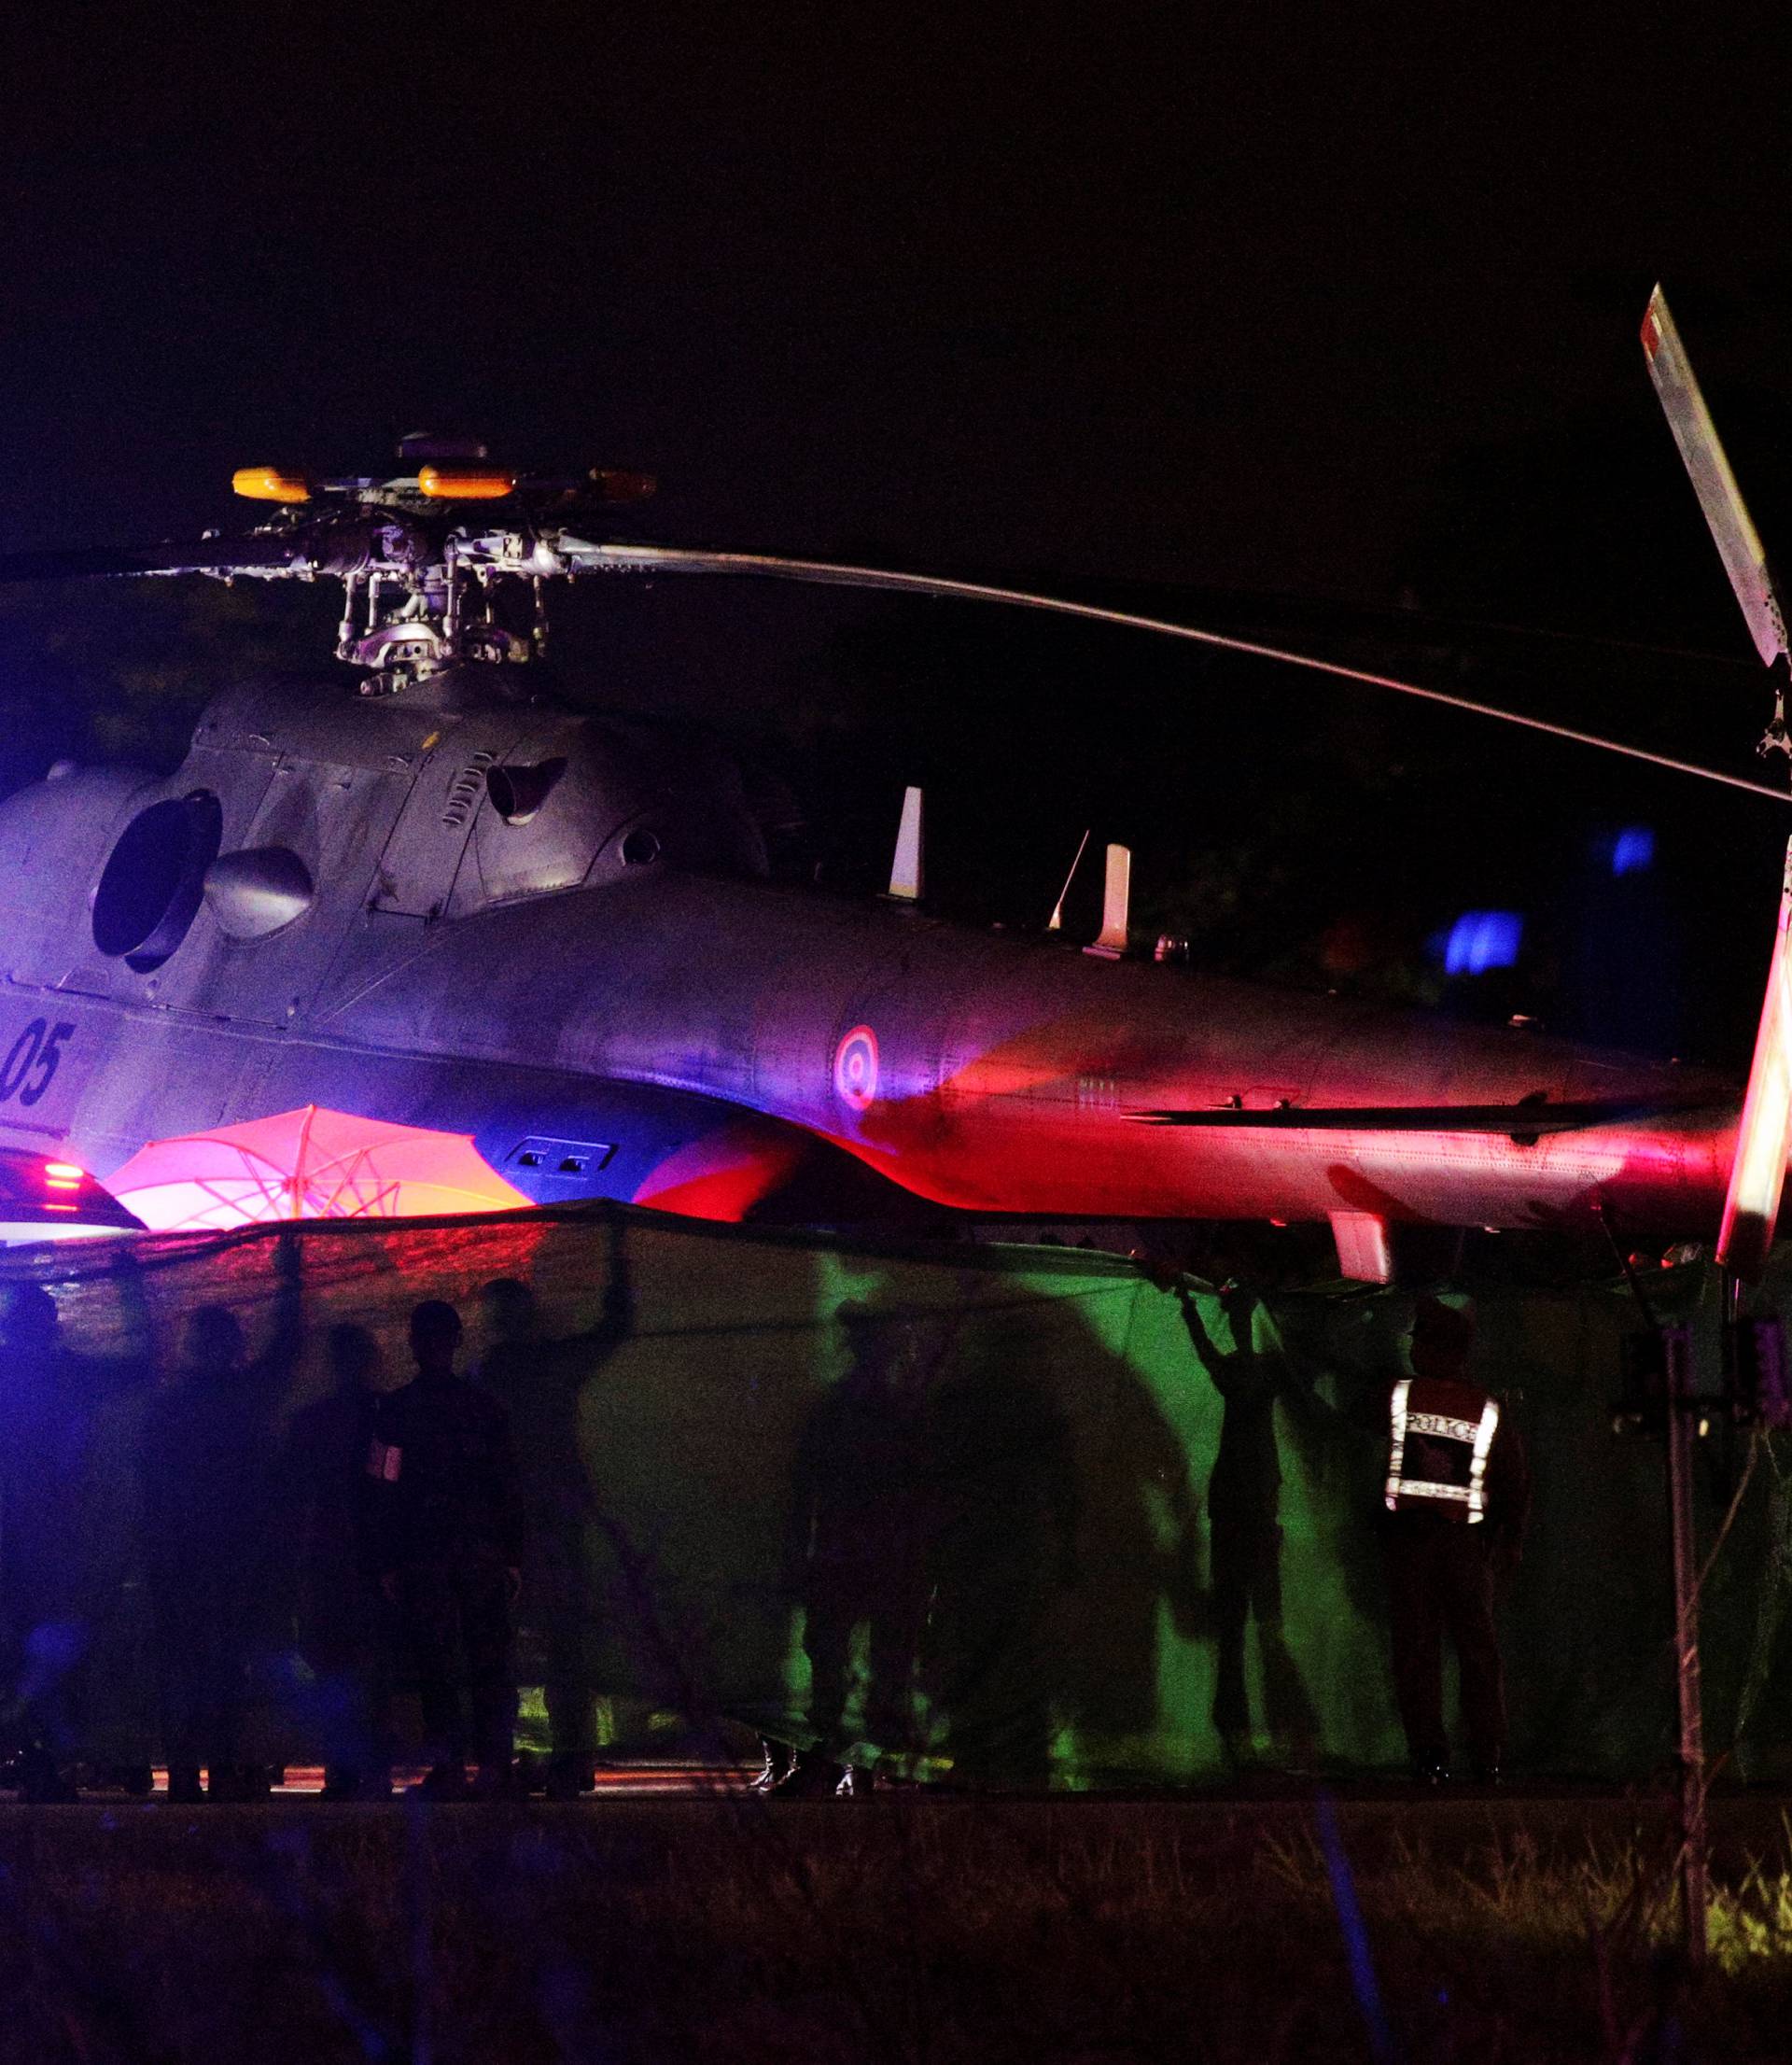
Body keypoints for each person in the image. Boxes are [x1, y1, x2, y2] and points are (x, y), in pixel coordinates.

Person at [476, 1231, 633, 1800]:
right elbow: (614, 1331)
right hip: (541, 1518)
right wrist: (619, 1251)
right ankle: (560, 1757)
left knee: (516, 1641)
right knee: (553, 1641)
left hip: (514, 1523)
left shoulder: (491, 1374)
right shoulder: (531, 1367)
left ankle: (529, 1756)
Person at [364, 1299, 525, 1799]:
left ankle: (450, 1766)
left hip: (424, 1550)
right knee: (487, 1660)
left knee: (437, 1662)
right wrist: (512, 1553)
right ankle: (493, 1766)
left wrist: (387, 1558)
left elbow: (382, 1487)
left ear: (412, 1343)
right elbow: (507, 1485)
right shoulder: (486, 1409)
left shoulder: (393, 1411)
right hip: (476, 1549)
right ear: (458, 1340)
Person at [140, 1302, 288, 1803]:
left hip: (178, 1561)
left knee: (181, 1670)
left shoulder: (166, 1409)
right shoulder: (244, 1402)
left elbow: (149, 1494)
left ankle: (185, 1776)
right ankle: (224, 1772)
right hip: (234, 1560)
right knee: (226, 1669)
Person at [1379, 1295, 1529, 1784]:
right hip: (1468, 1545)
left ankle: (1429, 1756)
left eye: (1419, 1341)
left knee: (1417, 1652)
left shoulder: (1400, 1396)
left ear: (1433, 1348)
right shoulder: (1487, 1407)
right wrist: (1511, 1540)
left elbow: (1346, 1413)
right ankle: (1488, 1756)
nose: (1413, 1350)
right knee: (1479, 1652)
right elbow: (1514, 1479)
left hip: (1412, 1545)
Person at [285, 1324, 392, 1800]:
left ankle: (347, 1769)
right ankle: (367, 1769)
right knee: (370, 1666)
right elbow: (394, 1484)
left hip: (327, 1554)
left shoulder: (312, 1421)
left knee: (336, 1666)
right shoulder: (385, 1417)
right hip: (370, 1556)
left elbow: (287, 1494)